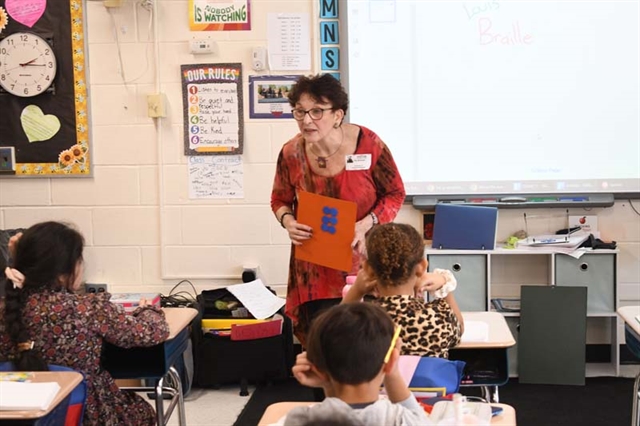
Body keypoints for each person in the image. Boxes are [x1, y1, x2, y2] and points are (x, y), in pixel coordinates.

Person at [270, 74, 406, 344]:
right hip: (315, 270)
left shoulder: (369, 144)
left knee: (367, 348)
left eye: (317, 111)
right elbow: (279, 199)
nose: (307, 120)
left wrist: (365, 223)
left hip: (365, 265)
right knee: (322, 350)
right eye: (300, 111)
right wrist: (288, 221)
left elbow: (395, 193)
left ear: (337, 115)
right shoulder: (291, 153)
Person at [0, 221, 170, 426]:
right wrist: (147, 309)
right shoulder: (88, 308)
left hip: (16, 412)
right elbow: (153, 332)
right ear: (65, 270)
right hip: (87, 412)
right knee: (143, 413)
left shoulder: (9, 309)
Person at [280, 303, 432, 425]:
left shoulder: (299, 420)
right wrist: (392, 370)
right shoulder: (399, 420)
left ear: (317, 369)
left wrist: (327, 382)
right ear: (391, 362)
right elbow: (419, 418)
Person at [343, 222, 464, 358]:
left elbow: (333, 331)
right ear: (422, 267)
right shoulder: (439, 318)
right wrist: (444, 282)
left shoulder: (361, 322)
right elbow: (459, 329)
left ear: (368, 269)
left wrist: (356, 291)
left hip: (378, 380)